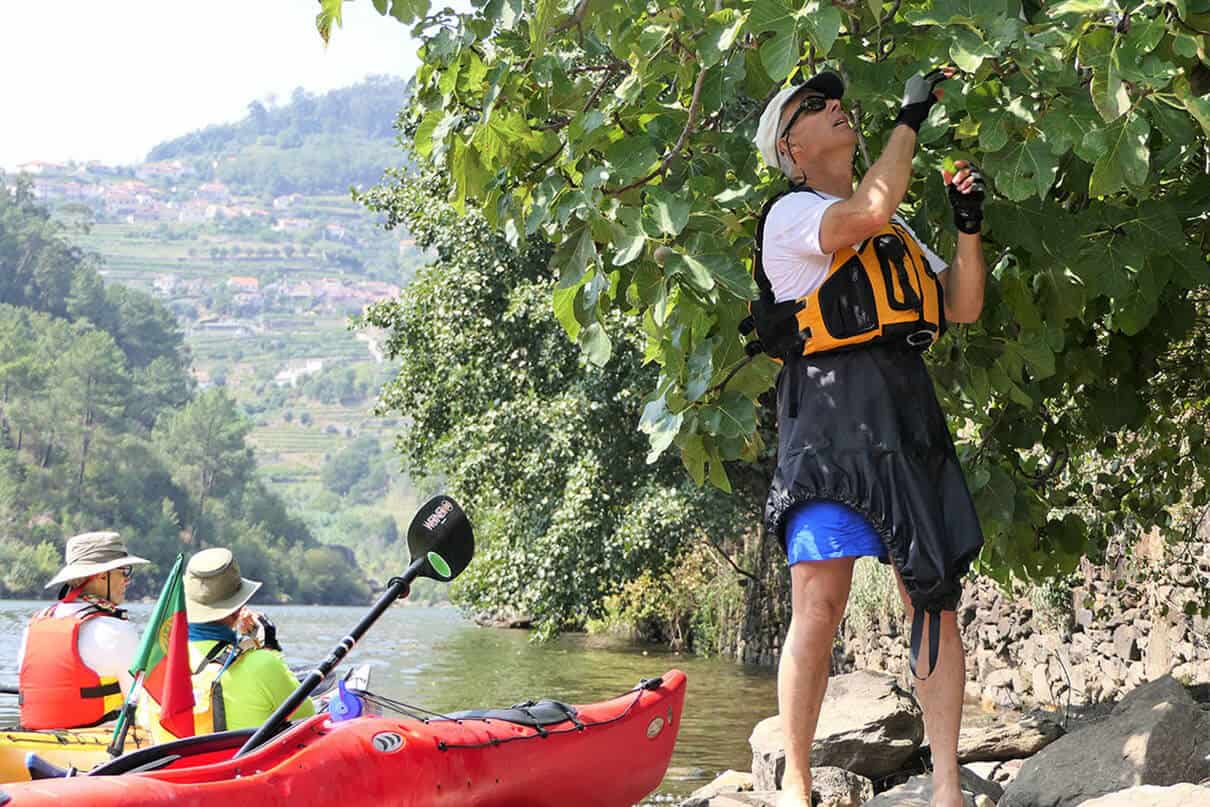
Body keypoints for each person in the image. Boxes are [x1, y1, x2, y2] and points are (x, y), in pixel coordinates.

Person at [748, 68, 987, 807]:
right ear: (790, 148)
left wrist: (968, 224)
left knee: (933, 597)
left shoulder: (898, 226)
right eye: (814, 107)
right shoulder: (791, 217)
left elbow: (963, 305)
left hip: (905, 416)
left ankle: (946, 785)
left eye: (835, 100)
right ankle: (797, 778)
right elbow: (868, 210)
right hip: (828, 424)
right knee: (819, 601)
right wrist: (909, 117)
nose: (835, 108)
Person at [138, 547, 314, 741]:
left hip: (176, 769)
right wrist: (270, 648)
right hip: (241, 769)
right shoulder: (262, 663)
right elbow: (305, 715)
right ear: (237, 609)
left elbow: (142, 720)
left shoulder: (158, 662)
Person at [17, 531, 150, 729]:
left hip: (35, 739)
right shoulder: (116, 631)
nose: (127, 580)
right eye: (123, 570)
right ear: (100, 575)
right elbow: (144, 705)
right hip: (101, 749)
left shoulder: (34, 625)